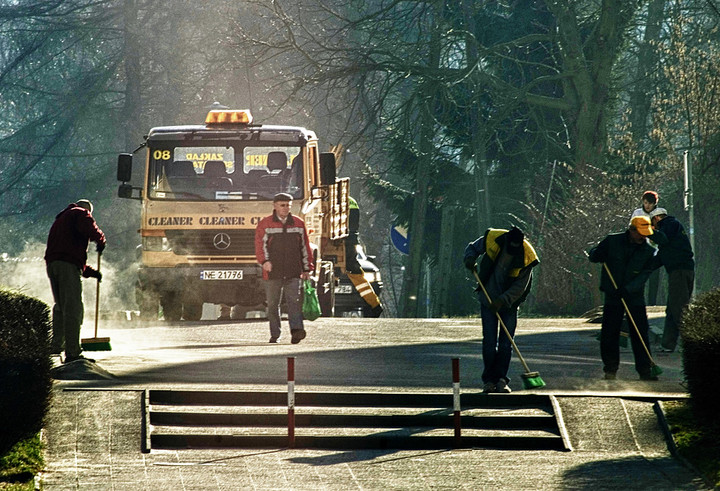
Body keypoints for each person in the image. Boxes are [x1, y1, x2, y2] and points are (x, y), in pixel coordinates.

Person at [463, 226, 539, 393]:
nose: (512, 250)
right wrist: (469, 259)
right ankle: (489, 381)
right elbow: (472, 247)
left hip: (510, 304)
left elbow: (521, 286)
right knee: (489, 343)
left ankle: (502, 380)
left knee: (506, 344)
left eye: (516, 247)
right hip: (487, 298)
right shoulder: (493, 238)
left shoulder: (527, 255)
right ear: (506, 241)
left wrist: (502, 301)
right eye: (510, 247)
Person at [588, 216, 657, 380]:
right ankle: (610, 370)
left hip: (634, 296)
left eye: (646, 234)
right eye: (640, 233)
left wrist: (628, 290)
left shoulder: (649, 251)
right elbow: (594, 255)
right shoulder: (613, 241)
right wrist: (596, 254)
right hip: (613, 294)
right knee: (609, 333)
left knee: (640, 333)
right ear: (631, 230)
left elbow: (644, 275)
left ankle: (645, 370)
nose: (643, 237)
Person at [44, 199, 106, 363]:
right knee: (73, 308)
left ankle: (57, 346)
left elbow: (69, 255)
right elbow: (89, 228)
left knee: (61, 307)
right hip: (65, 265)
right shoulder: (80, 213)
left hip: (53, 265)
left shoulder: (62, 218)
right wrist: (100, 240)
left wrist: (93, 273)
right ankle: (73, 353)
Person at [255, 192, 314, 344]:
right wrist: (265, 261)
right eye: (282, 205)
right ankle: (275, 334)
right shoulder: (265, 224)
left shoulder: (298, 223)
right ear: (274, 206)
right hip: (272, 272)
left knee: (294, 302)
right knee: (273, 304)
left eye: (288, 205)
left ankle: (296, 332)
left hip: (293, 270)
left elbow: (305, 247)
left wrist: (307, 269)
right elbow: (260, 246)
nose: (286, 208)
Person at [648, 207, 695, 353]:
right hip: (680, 271)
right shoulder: (671, 235)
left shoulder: (669, 224)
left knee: (679, 309)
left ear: (656, 219)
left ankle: (692, 342)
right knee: (672, 308)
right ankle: (668, 344)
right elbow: (661, 257)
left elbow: (662, 238)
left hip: (680, 272)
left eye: (652, 225)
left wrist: (647, 232)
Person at [630, 190, 660, 305]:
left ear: (654, 203)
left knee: (654, 280)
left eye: (650, 203)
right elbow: (631, 229)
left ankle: (652, 303)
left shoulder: (659, 214)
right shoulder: (637, 213)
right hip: (640, 251)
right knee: (639, 277)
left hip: (655, 251)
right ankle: (639, 301)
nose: (648, 205)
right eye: (646, 202)